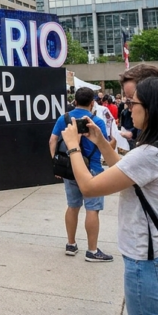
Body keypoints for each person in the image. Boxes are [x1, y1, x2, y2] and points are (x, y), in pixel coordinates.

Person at [64, 77, 158, 315]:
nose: (128, 108)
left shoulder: (150, 153)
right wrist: (102, 143)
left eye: (132, 102)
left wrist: (73, 147)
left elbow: (89, 186)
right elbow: (129, 174)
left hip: (151, 264)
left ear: (152, 109)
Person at [49, 87, 114, 262]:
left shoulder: (64, 118)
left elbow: (52, 140)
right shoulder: (97, 121)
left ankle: (71, 244)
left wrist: (57, 164)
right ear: (93, 103)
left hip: (70, 170)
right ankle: (92, 251)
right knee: (92, 209)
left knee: (72, 206)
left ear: (75, 101)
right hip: (92, 170)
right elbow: (104, 145)